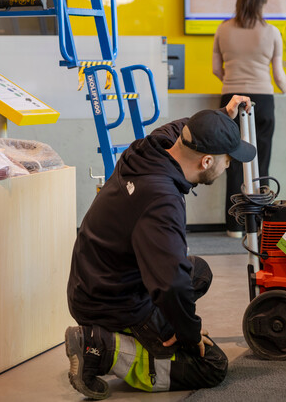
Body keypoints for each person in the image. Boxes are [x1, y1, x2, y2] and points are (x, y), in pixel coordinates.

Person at [64, 96, 256, 400]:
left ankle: (133, 333)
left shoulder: (154, 146)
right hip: (111, 302)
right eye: (228, 159)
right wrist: (188, 334)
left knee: (199, 272)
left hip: (93, 279)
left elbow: (189, 127)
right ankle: (99, 346)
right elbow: (170, 284)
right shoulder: (162, 201)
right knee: (210, 365)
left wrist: (223, 116)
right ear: (206, 162)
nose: (228, 165)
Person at [213, 0, 286, 238]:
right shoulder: (272, 32)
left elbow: (216, 69)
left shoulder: (223, 29)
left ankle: (234, 226)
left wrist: (233, 82)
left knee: (233, 160)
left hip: (231, 98)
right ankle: (258, 223)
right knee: (262, 159)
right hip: (263, 99)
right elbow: (279, 76)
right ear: (262, 4)